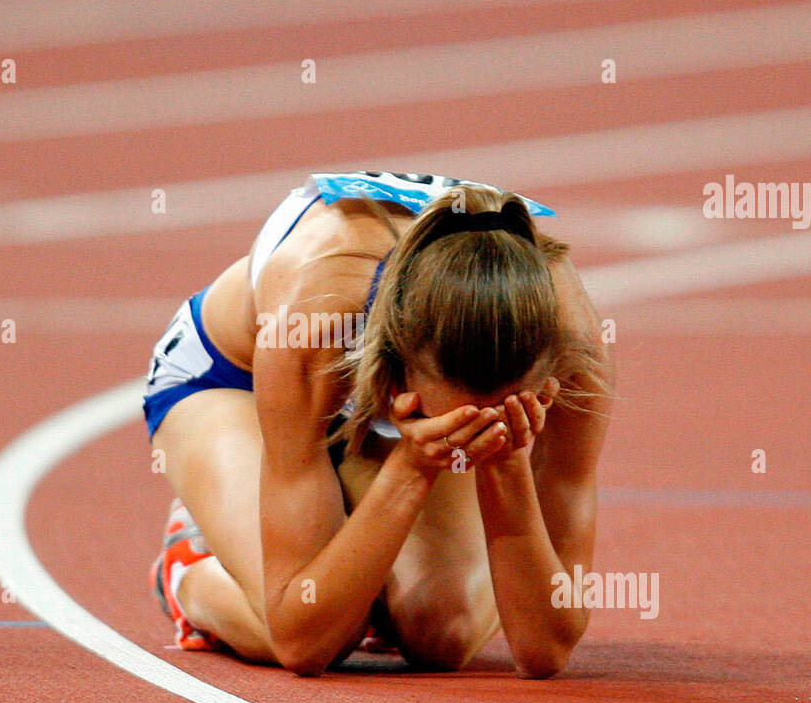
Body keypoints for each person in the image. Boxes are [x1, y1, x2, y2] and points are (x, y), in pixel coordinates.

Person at [144, 171, 614, 677]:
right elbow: (303, 645)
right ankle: (189, 573)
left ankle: (357, 530)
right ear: (395, 363)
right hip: (232, 382)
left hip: (381, 403)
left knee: (443, 631)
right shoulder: (316, 315)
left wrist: (506, 460)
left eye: (492, 416)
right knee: (314, 628)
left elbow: (545, 649)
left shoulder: (574, 347)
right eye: (456, 420)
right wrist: (411, 468)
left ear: (544, 380)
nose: (472, 431)